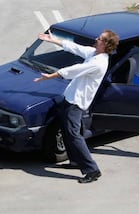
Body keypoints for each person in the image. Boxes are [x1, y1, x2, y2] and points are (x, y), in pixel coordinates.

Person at [34, 29, 119, 183]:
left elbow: (74, 70)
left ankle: (92, 170)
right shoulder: (94, 53)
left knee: (73, 135)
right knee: (68, 132)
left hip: (76, 103)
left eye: (100, 38)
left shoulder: (98, 63)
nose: (96, 38)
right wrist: (53, 40)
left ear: (105, 44)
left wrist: (51, 76)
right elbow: (75, 47)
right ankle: (75, 162)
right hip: (70, 98)